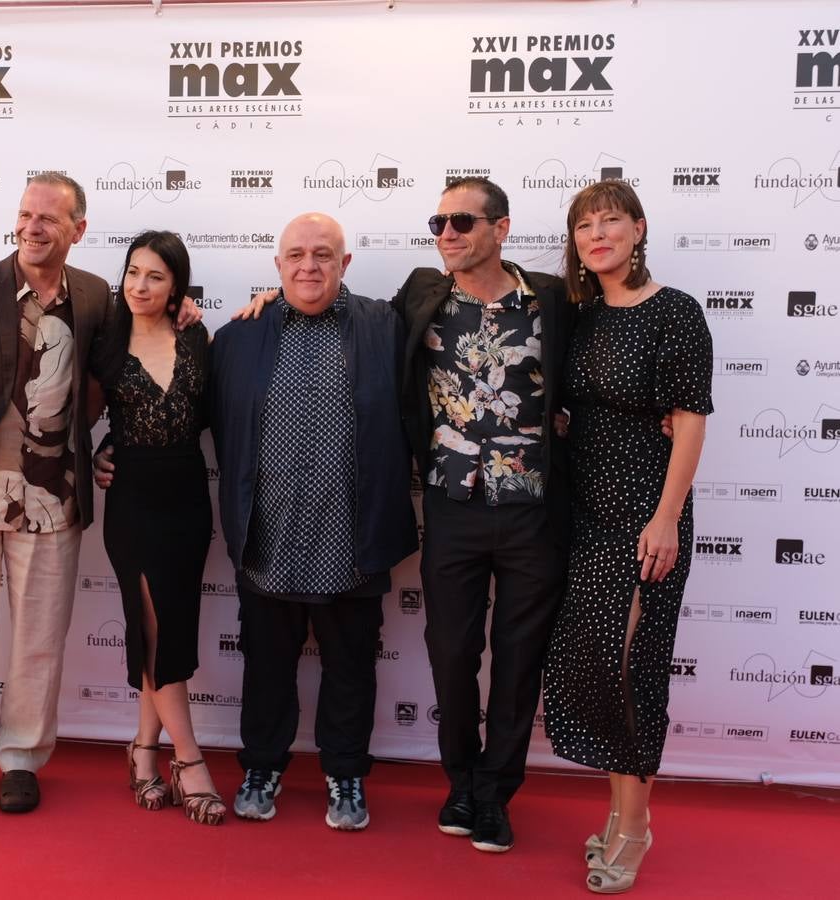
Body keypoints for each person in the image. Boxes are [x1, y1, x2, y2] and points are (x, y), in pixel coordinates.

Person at [0, 173, 198, 815]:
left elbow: (123, 372)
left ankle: (21, 758)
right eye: (24, 214)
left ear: (78, 228)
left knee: (40, 639)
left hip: (54, 492)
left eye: (48, 218)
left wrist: (185, 312)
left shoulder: (100, 296)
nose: (32, 227)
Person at [211, 212, 417, 831]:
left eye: (323, 255)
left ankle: (346, 774)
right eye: (296, 255)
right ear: (276, 266)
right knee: (266, 665)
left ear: (345, 263)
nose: (309, 266)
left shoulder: (387, 326)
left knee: (351, 667)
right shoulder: (237, 338)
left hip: (351, 537)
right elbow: (186, 410)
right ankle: (262, 765)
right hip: (266, 535)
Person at [391, 176, 576, 852]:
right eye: (438, 221)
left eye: (462, 222)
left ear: (500, 229)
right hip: (451, 503)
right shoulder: (421, 294)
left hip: (532, 507)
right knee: (451, 654)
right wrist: (269, 300)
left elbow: (597, 365)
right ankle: (461, 781)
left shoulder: (552, 299)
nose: (446, 233)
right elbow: (344, 316)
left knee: (520, 659)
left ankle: (497, 793)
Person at [542, 180, 711, 893]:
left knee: (631, 667)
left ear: (639, 230)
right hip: (585, 514)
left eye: (611, 221)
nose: (597, 234)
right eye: (585, 225)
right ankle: (617, 814)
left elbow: (691, 417)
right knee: (597, 667)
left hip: (646, 514)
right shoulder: (581, 317)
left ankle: (636, 827)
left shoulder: (675, 313)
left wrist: (666, 516)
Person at [93, 230, 222, 826]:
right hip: (133, 501)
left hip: (190, 501)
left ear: (177, 286)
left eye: (156, 277)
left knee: (164, 629)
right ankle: (189, 760)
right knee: (154, 623)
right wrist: (95, 455)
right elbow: (73, 419)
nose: (139, 286)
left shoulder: (198, 336)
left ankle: (143, 749)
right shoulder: (105, 341)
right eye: (133, 272)